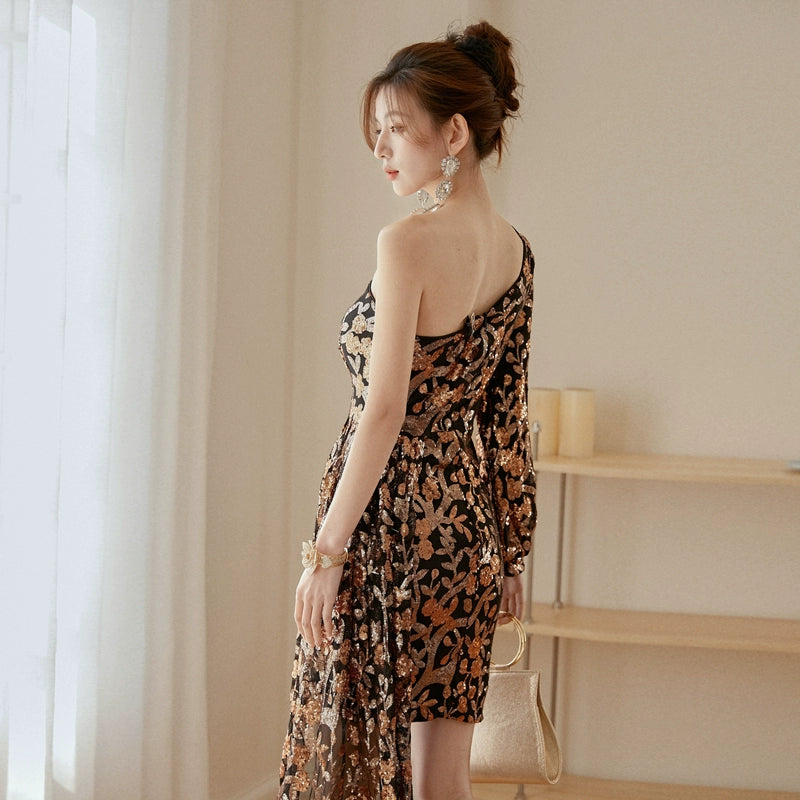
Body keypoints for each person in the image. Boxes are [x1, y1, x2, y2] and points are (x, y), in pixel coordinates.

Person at [278, 20, 536, 800]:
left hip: (387, 527)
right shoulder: (515, 252)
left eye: (396, 128)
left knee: (351, 757)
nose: (381, 148)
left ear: (453, 133)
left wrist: (326, 553)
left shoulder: (407, 242)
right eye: (378, 131)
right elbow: (506, 416)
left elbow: (384, 409)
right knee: (445, 778)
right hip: (467, 535)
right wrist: (511, 553)